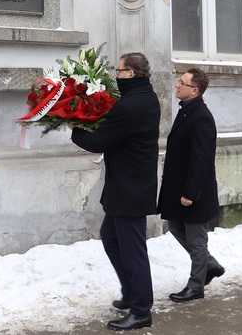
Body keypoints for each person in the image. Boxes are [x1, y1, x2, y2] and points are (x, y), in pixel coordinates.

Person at [71, 52, 160, 331]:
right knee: (110, 237)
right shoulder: (146, 97)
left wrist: (75, 126)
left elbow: (100, 141)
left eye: (119, 71)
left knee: (133, 251)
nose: (115, 75)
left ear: (130, 73)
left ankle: (141, 310)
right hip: (128, 185)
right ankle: (131, 293)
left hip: (129, 190)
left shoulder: (131, 105)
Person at [157, 68, 224, 303]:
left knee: (197, 241)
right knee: (175, 227)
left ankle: (196, 287)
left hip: (195, 191)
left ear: (194, 90)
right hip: (179, 187)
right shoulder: (186, 110)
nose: (177, 85)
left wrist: (191, 193)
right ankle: (210, 265)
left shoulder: (201, 116)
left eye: (182, 83)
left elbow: (201, 160)